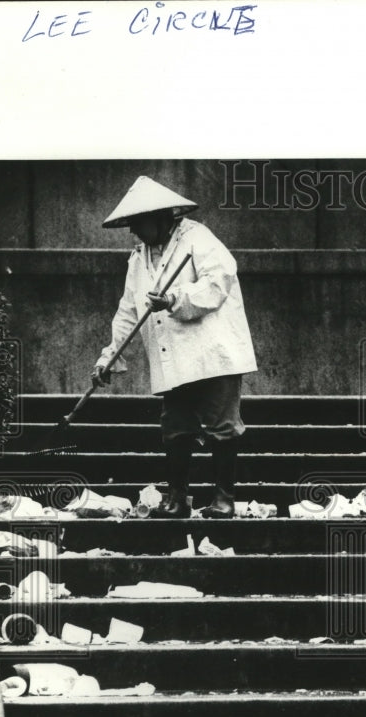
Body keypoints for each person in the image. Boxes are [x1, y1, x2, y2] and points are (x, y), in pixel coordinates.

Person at [92, 176, 257, 518]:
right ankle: (178, 499)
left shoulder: (197, 238)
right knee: (176, 427)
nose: (134, 232)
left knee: (221, 427)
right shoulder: (138, 259)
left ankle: (224, 499)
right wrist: (109, 357)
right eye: (131, 225)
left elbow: (219, 280)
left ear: (162, 216)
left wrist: (174, 298)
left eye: (139, 223)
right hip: (174, 358)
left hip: (213, 353)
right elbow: (128, 311)